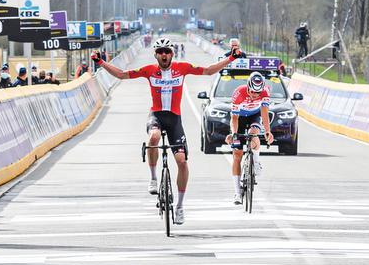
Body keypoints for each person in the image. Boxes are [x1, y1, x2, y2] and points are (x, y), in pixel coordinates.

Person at [94, 36, 237, 225]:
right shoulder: (149, 70)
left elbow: (209, 71)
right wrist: (100, 62)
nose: (164, 55)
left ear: (172, 54)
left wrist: (231, 59)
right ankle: (153, 179)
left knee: (182, 162)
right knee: (153, 138)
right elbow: (121, 75)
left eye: (167, 51)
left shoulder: (182, 68)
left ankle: (179, 207)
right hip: (156, 116)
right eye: (160, 52)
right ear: (155, 55)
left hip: (174, 120)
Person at [225, 70, 273, 204]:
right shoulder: (239, 93)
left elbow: (264, 113)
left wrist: (267, 131)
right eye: (252, 91)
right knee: (237, 154)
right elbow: (234, 117)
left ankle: (256, 162)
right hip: (239, 118)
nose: (254, 95)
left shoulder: (265, 92)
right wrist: (234, 134)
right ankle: (237, 192)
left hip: (254, 115)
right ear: (248, 86)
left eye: (257, 93)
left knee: (254, 134)